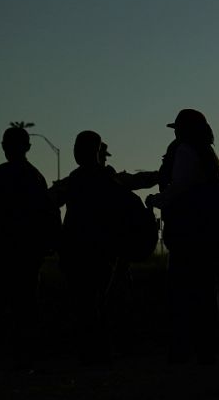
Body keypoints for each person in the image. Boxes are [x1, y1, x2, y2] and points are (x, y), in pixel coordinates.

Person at [52, 131, 157, 363]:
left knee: (91, 302)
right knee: (94, 302)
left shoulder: (84, 181)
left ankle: (95, 350)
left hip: (92, 251)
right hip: (94, 251)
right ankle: (98, 349)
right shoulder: (97, 180)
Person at [149, 108, 219, 364]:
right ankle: (206, 348)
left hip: (190, 235)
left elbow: (180, 185)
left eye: (177, 128)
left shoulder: (186, 150)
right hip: (208, 234)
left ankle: (184, 349)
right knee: (206, 292)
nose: (175, 132)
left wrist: (157, 200)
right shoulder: (207, 152)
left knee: (182, 293)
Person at [0, 124, 59, 359]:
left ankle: (5, 353)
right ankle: (27, 352)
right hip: (28, 248)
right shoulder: (35, 176)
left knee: (2, 302)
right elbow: (47, 212)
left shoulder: (1, 173)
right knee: (26, 301)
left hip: (7, 247)